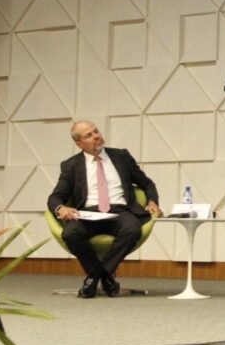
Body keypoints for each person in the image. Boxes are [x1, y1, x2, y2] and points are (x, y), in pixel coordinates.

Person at [47, 120, 162, 298]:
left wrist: (152, 201)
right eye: (89, 135)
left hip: (119, 211)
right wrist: (61, 208)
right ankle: (106, 278)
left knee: (132, 229)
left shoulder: (121, 156)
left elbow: (146, 183)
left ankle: (94, 277)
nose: (96, 136)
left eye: (96, 131)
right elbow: (55, 197)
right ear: (79, 143)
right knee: (71, 233)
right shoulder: (71, 165)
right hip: (88, 213)